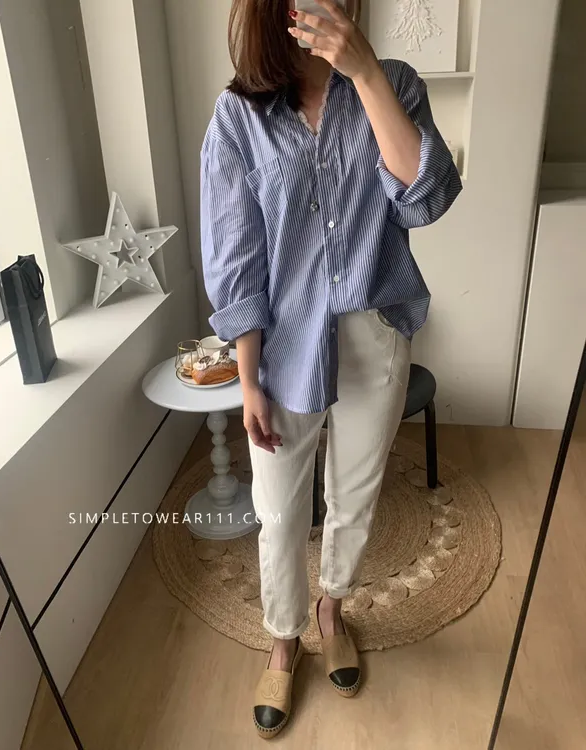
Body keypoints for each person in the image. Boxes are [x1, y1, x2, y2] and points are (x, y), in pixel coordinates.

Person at [201, 0, 462, 738]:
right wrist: (246, 378)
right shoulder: (239, 117)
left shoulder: (394, 84)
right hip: (282, 347)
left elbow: (426, 199)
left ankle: (331, 611)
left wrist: (366, 71)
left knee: (354, 497)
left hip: (375, 330)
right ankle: (284, 641)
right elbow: (235, 258)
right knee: (280, 510)